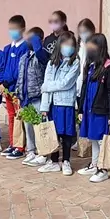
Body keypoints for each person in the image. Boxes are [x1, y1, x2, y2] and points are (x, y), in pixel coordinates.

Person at [78, 33, 110, 183]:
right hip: (90, 108)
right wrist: (81, 109)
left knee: (102, 140)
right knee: (93, 138)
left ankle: (103, 169)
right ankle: (95, 165)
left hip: (102, 110)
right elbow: (84, 87)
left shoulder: (109, 67)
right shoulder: (90, 65)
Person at [39, 32, 81, 175]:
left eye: (71, 45)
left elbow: (66, 83)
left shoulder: (75, 62)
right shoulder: (52, 63)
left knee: (67, 134)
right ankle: (54, 161)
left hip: (66, 103)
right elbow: (46, 83)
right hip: (52, 104)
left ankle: (66, 161)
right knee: (54, 133)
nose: (68, 47)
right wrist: (44, 106)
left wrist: (47, 86)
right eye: (65, 44)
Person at [0, 15, 28, 158]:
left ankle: (20, 146)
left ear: (22, 29)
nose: (12, 32)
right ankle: (12, 142)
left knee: (19, 116)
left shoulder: (24, 47)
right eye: (10, 29)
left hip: (17, 89)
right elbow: (3, 68)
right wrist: (1, 82)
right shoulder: (7, 48)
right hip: (7, 89)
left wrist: (6, 83)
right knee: (10, 116)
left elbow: (18, 70)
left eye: (15, 29)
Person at [15, 27, 46, 164]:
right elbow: (20, 77)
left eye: (31, 38)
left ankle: (43, 151)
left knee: (40, 126)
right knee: (28, 126)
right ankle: (31, 150)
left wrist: (37, 42)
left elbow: (41, 56)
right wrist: (18, 93)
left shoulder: (42, 55)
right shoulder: (23, 57)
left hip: (37, 96)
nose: (28, 41)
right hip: (25, 97)